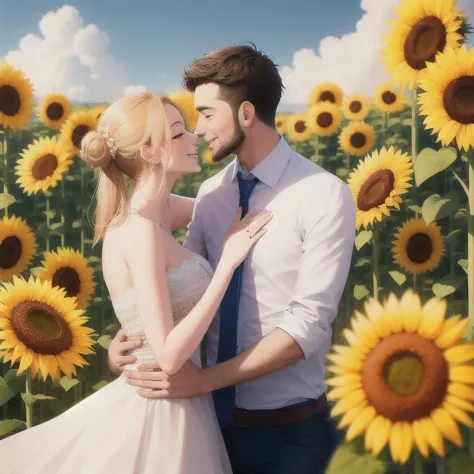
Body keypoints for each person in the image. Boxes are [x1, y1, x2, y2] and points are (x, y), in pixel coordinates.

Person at [109, 44, 357, 474]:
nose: (199, 129)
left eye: (206, 114)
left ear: (245, 114)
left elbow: (307, 327)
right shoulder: (212, 194)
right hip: (203, 425)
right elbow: (182, 285)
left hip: (288, 436)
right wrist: (133, 341)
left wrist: (202, 381)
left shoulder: (322, 194)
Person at [0, 91, 274, 473]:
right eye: (177, 133)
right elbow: (168, 356)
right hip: (160, 408)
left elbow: (218, 214)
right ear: (150, 153)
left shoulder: (161, 210)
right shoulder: (140, 230)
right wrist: (226, 263)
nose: (193, 137)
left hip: (182, 404)